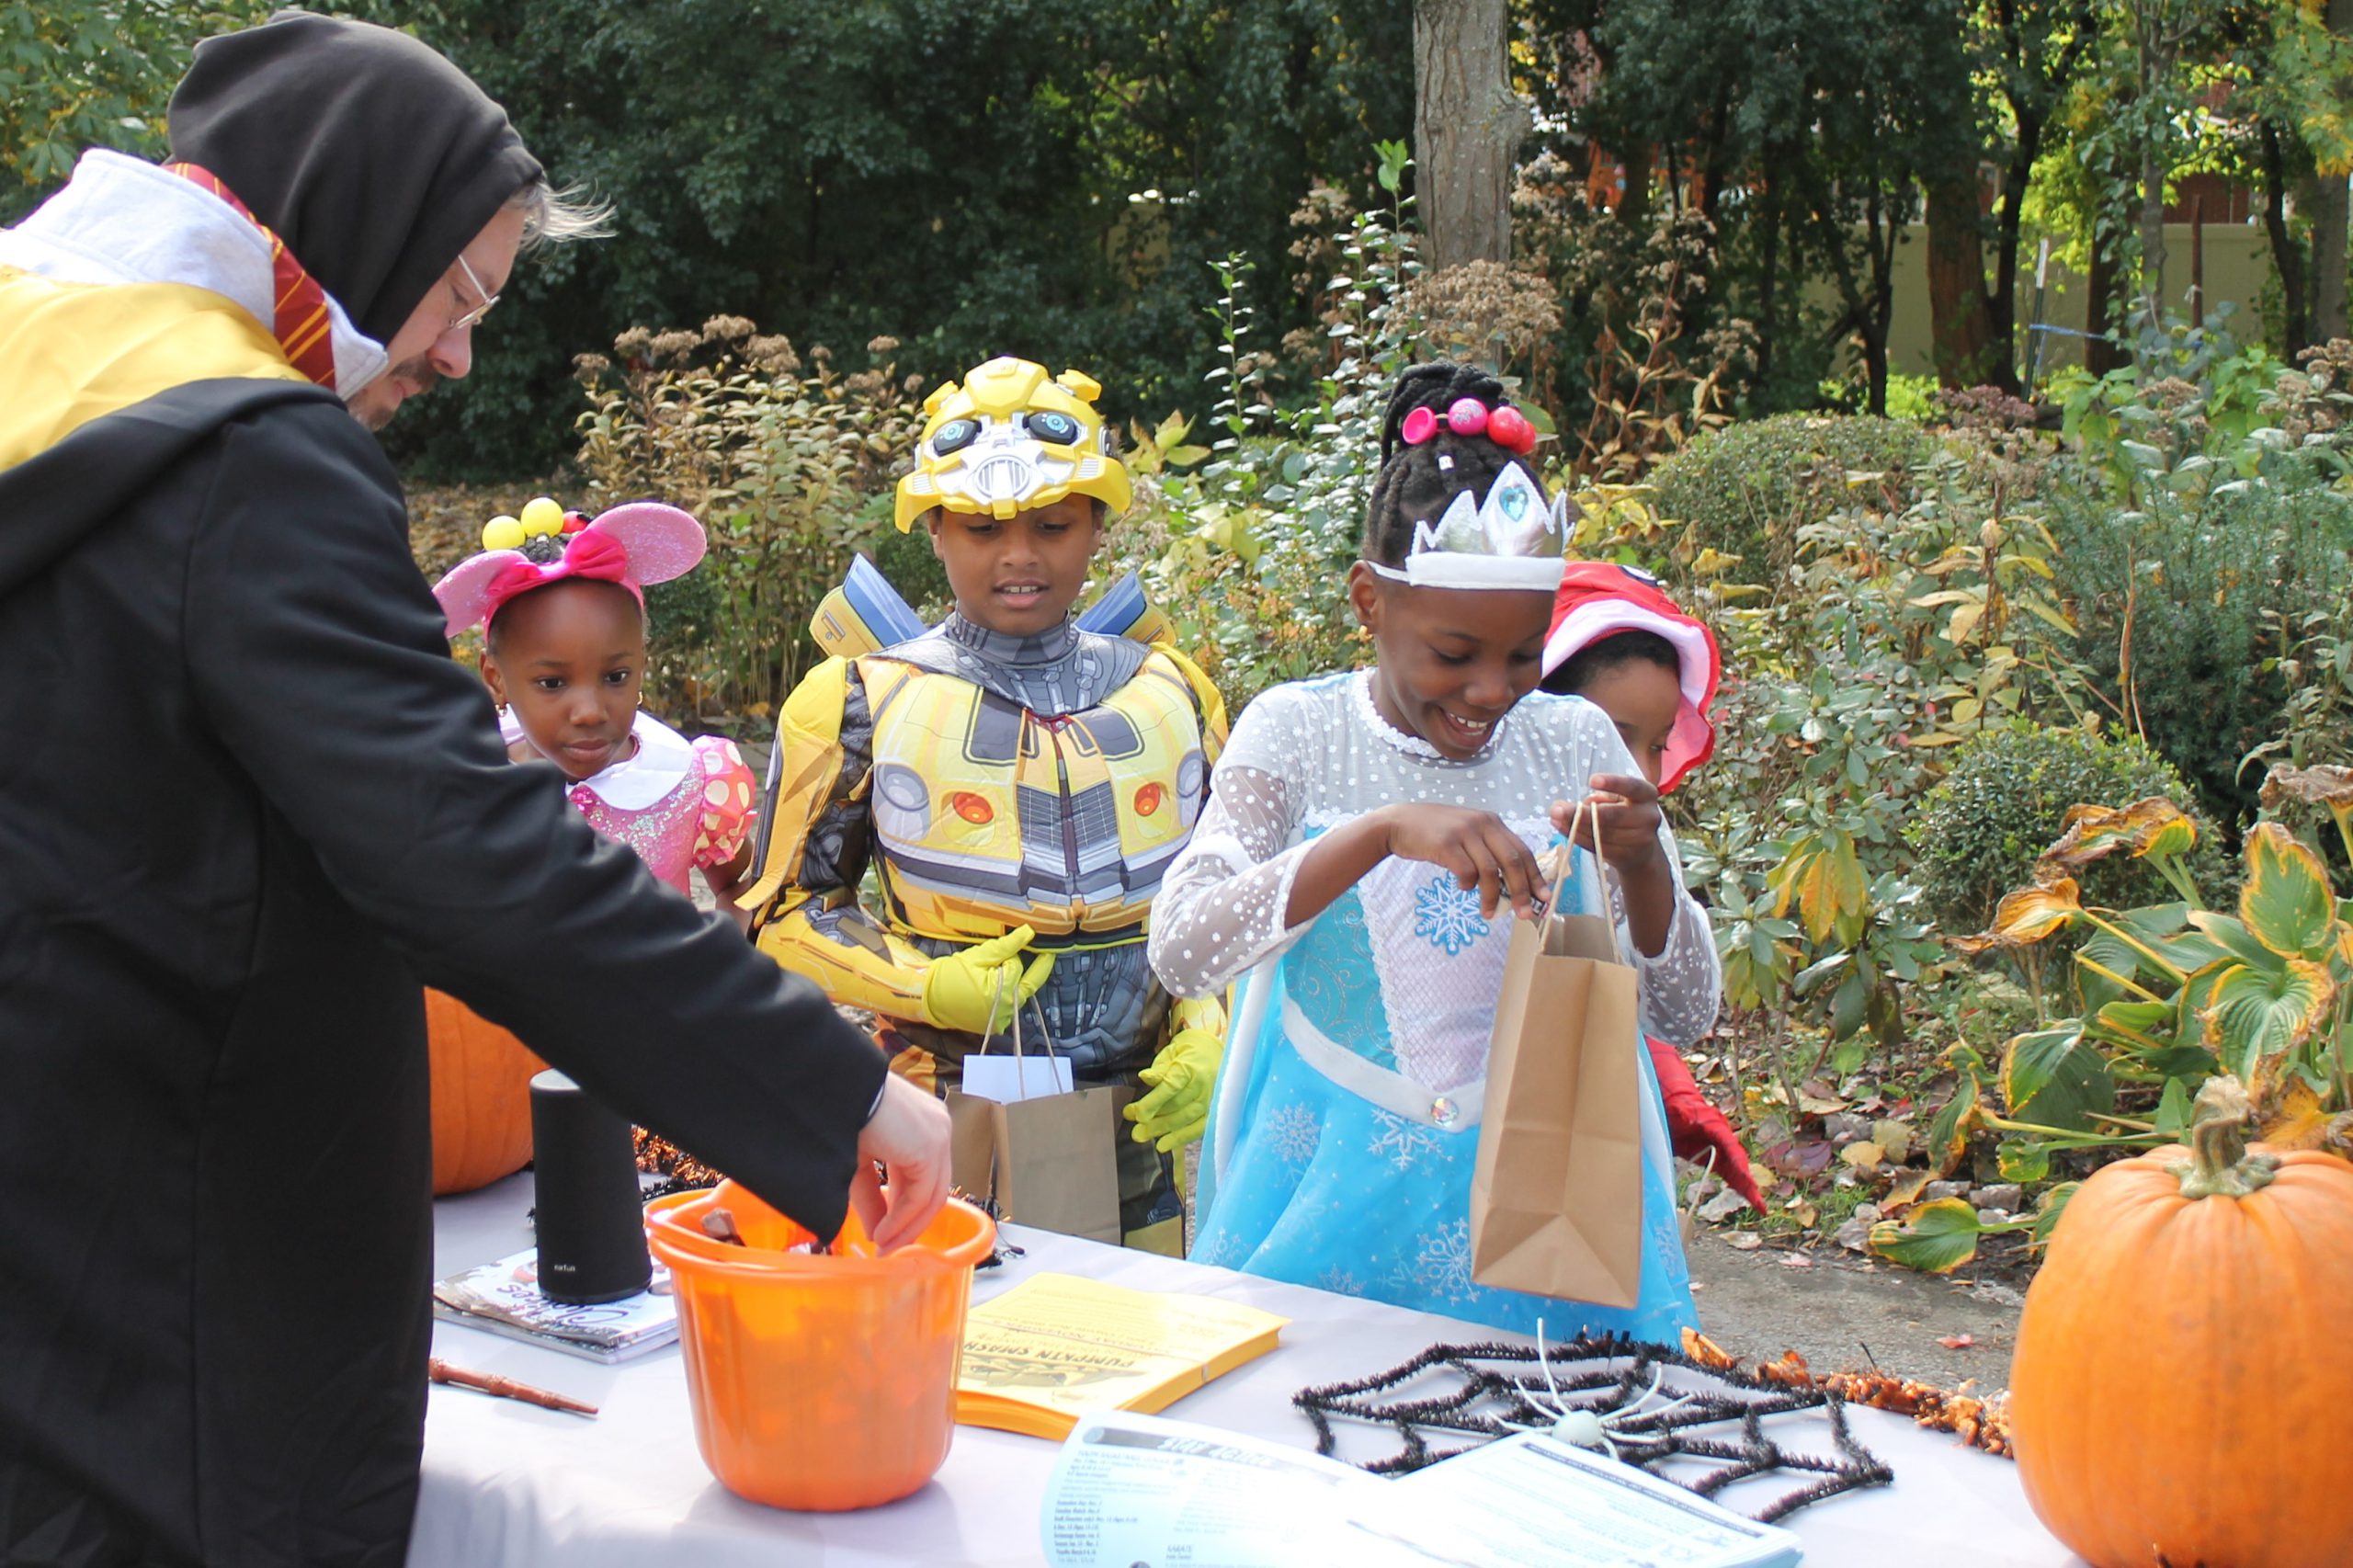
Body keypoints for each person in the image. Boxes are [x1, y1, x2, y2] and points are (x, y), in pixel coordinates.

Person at [0, 14, 947, 1566]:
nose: (457, 349)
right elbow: (459, 851)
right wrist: (832, 1086)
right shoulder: (248, 460)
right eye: (461, 290)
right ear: (352, 227)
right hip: (174, 1291)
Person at [1147, 362, 1719, 1338]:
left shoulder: (1571, 738)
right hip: (1327, 1194)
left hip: (1546, 1206)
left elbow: (1681, 1009)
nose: (1493, 690)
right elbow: (1183, 945)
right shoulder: (1298, 731)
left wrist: (1641, 860)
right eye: (1453, 655)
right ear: (1370, 601)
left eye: (1524, 653)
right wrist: (1377, 832)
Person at [740, 355, 1229, 1254]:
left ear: (1097, 524)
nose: (1018, 556)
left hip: (1139, 1103)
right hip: (938, 1098)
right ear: (930, 527)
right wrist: (925, 983)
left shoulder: (1176, 691)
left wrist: (1209, 1028)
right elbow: (781, 914)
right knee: (952, 1326)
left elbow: (1225, 898)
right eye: (978, 528)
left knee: (1135, 1329)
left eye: (1053, 524)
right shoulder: (852, 700)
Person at [1540, 561, 1765, 1212]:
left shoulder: (1638, 834)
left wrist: (1641, 870)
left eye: (1659, 743)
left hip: (1589, 1151)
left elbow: (1685, 1012)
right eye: (1613, 737)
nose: (1636, 769)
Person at [433, 497, 759, 914]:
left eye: (615, 677)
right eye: (552, 683)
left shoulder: (685, 782)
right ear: (497, 680)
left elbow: (740, 890)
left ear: (641, 663)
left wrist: (714, 967)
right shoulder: (468, 791)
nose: (589, 711)